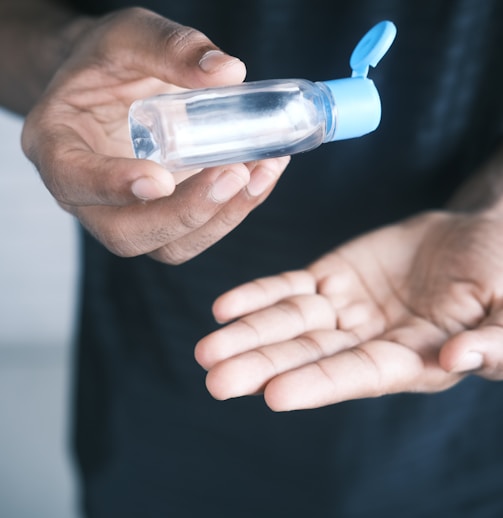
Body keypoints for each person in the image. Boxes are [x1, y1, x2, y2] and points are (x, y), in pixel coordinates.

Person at [2, 0, 503, 516]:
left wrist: (496, 213)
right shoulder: (302, 107)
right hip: (151, 372)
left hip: (442, 433)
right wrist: (62, 54)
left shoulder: (305, 109)